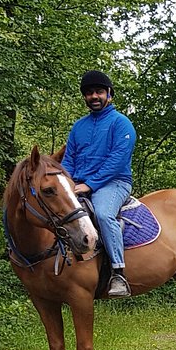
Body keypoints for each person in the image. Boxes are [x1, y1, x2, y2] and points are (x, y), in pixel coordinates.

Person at [61, 70, 136, 298]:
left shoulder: (121, 123)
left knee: (103, 214)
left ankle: (118, 273)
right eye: (89, 93)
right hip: (79, 184)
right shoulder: (78, 127)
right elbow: (68, 159)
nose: (94, 96)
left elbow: (118, 160)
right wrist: (68, 182)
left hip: (114, 183)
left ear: (109, 94)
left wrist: (90, 185)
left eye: (99, 92)